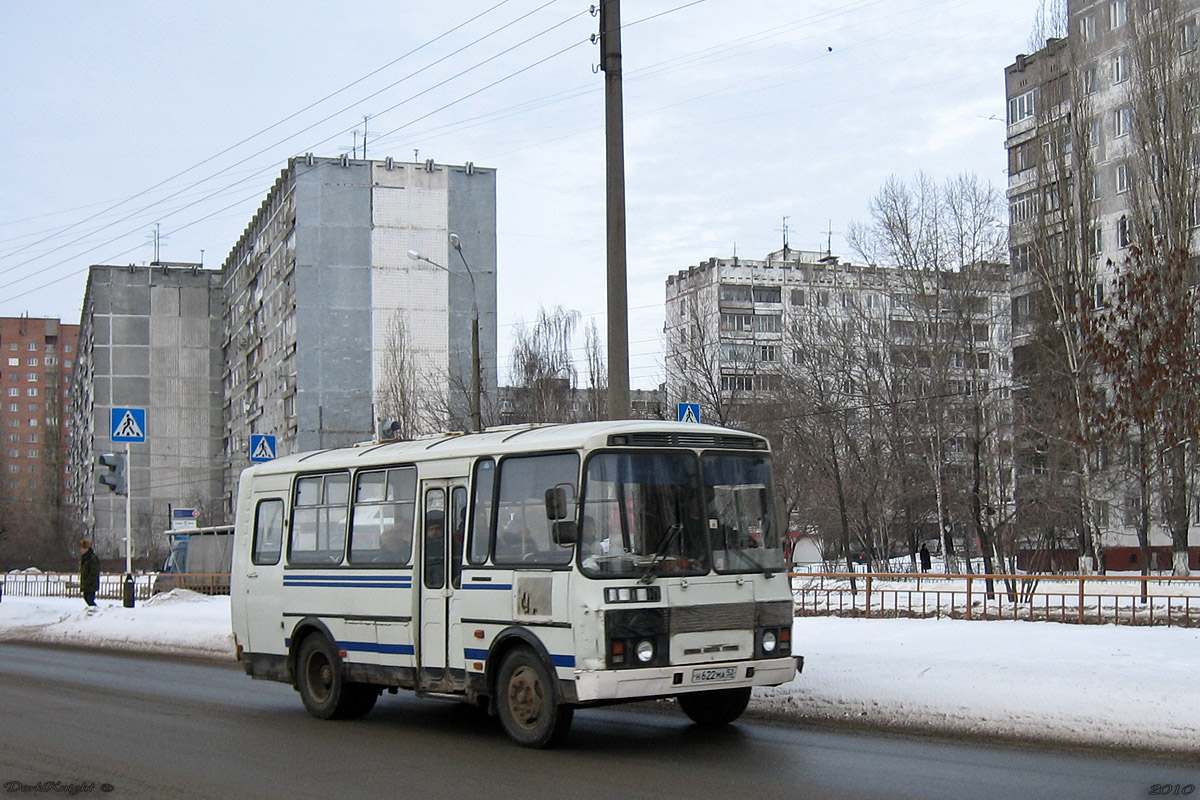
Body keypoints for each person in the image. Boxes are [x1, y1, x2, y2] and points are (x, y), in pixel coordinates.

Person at [79, 539, 100, 608]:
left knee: (89, 598)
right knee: (87, 597)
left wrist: (88, 580)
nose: (81, 550)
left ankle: (95, 611)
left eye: (82, 548)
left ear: (86, 548)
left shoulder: (91, 558)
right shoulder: (85, 557)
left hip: (90, 583)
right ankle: (93, 610)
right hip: (87, 582)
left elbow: (93, 571)